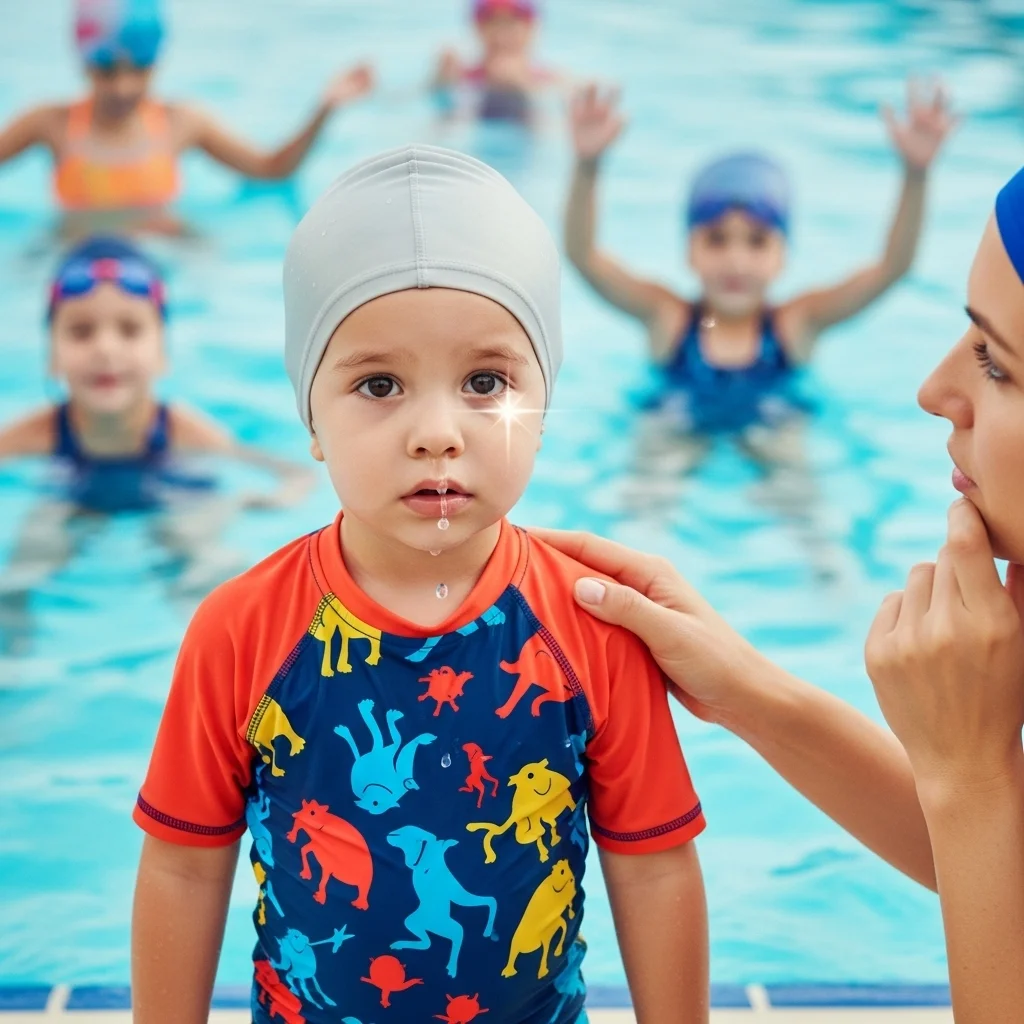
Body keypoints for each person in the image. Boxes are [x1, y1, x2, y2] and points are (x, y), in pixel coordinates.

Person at [130, 146, 709, 1024]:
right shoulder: (242, 630)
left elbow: (655, 865)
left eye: (486, 383)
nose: (436, 432)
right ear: (311, 417)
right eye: (379, 384)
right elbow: (181, 863)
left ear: (543, 406)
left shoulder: (592, 626)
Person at [535, 163, 1024, 1024]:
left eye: (997, 361)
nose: (933, 391)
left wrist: (976, 773)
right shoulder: (675, 319)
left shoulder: (783, 326)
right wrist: (743, 688)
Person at [565, 80, 956, 459]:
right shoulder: (669, 317)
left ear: (783, 255)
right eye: (717, 239)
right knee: (647, 492)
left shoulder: (795, 323)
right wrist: (587, 165)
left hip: (774, 425)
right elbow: (585, 256)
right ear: (690, 251)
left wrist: (916, 174)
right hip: (676, 421)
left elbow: (892, 267)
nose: (736, 260)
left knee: (803, 505)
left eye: (756, 241)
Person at [0, 235, 312, 652]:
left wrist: (266, 499)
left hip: (170, 495)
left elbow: (292, 472)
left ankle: (238, 659)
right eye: (80, 332)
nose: (105, 348)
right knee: (21, 571)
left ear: (161, 353)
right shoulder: (39, 432)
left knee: (206, 566)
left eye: (129, 330)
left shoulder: (183, 430)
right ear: (52, 355)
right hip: (71, 498)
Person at [0, 0, 373, 230]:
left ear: (157, 62)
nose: (123, 86)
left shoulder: (181, 123)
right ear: (83, 62)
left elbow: (272, 169)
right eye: (107, 69)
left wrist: (324, 109)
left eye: (140, 68)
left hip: (161, 253)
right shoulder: (50, 123)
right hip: (72, 256)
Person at [432, 0, 562, 124]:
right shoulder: (461, 79)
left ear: (531, 28)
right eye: (492, 23)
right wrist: (440, 82)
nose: (501, 35)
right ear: (477, 29)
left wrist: (523, 89)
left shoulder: (551, 82)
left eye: (511, 23)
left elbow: (555, 129)